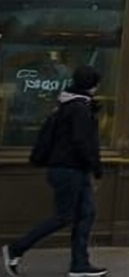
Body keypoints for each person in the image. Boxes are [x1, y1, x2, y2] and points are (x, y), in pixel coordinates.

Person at [5, 66, 107, 277]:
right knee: (64, 216)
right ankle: (15, 249)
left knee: (86, 214)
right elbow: (83, 141)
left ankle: (80, 264)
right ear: (93, 85)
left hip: (71, 168)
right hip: (70, 169)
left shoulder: (68, 104)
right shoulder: (78, 108)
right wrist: (96, 167)